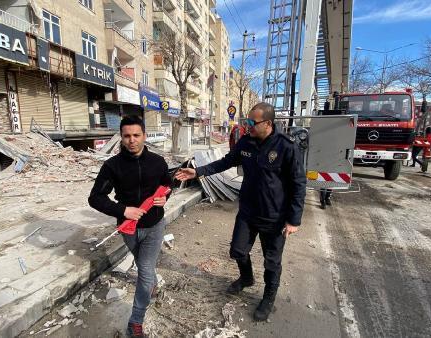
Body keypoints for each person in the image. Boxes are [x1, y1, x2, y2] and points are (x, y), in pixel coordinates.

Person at [175, 102, 307, 322]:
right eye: (247, 121)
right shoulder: (246, 142)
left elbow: (298, 184)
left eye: (252, 122)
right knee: (237, 251)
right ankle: (246, 279)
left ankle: (268, 297)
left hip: (274, 217)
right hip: (248, 211)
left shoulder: (286, 147)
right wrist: (198, 171)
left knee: (271, 262)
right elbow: (226, 162)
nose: (247, 126)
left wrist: (293, 220)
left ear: (268, 124)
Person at [88, 116, 171, 338]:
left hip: (155, 225)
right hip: (128, 229)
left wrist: (165, 197)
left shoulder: (158, 162)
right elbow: (95, 198)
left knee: (144, 269)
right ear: (121, 138)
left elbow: (167, 184)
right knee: (145, 268)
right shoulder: (112, 166)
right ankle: (151, 284)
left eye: (136, 135)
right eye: (127, 136)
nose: (131, 140)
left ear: (144, 135)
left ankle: (135, 322)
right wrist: (123, 210)